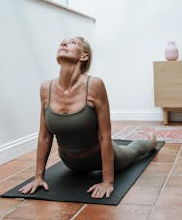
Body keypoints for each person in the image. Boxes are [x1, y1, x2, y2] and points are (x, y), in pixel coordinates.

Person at [19, 36, 157, 199]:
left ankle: (151, 141)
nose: (63, 43)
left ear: (84, 57)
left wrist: (108, 181)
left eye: (72, 42)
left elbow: (104, 136)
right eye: (62, 42)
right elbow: (44, 137)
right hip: (70, 162)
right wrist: (38, 177)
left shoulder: (94, 85)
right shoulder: (45, 88)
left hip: (98, 157)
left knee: (132, 151)